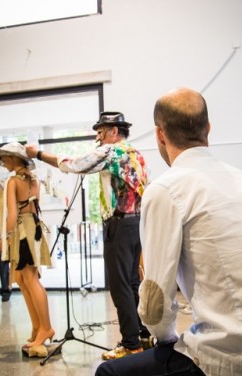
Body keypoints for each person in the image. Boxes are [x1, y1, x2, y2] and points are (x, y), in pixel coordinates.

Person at [91, 88, 242, 376]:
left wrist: (166, 338)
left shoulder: (167, 189)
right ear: (208, 128)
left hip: (235, 367)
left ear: (159, 134)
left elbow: (155, 308)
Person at [25, 111, 152, 359]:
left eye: (101, 131)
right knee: (133, 283)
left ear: (114, 131)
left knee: (120, 286)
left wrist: (38, 154)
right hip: (137, 224)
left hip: (119, 225)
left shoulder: (111, 152)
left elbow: (74, 164)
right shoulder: (136, 154)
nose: (98, 137)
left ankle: (130, 344)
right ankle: (143, 335)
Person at [0, 142, 54, 349]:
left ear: (14, 158)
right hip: (32, 228)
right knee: (22, 278)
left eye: (4, 158)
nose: (2, 162)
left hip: (22, 231)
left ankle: (46, 327)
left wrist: (5, 239)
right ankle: (37, 326)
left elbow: (12, 215)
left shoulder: (13, 181)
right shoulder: (33, 180)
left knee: (29, 279)